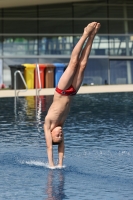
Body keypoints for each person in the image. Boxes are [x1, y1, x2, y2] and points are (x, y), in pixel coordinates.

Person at [44, 22, 101, 167]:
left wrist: (52, 164)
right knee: (83, 66)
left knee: (74, 63)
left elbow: (50, 147)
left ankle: (85, 34)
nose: (61, 133)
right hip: (72, 92)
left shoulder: (48, 124)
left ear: (51, 135)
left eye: (58, 135)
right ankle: (92, 37)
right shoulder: (60, 125)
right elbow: (61, 147)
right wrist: (60, 163)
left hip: (62, 90)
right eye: (61, 136)